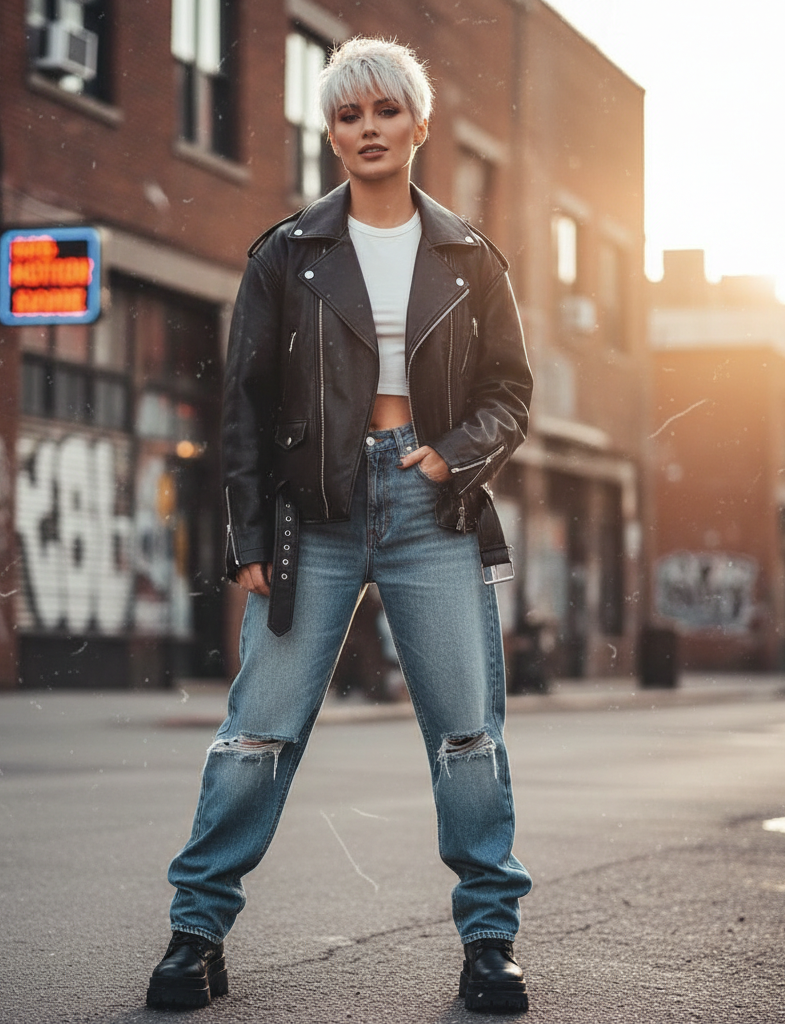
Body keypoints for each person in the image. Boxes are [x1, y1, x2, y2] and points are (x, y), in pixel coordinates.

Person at [146, 36, 534, 1014]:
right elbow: (242, 404)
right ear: (330, 132)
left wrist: (455, 454)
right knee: (255, 736)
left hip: (429, 506)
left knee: (467, 739)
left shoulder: (468, 257)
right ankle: (195, 934)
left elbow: (508, 393)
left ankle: (489, 942)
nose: (367, 130)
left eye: (385, 112)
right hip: (308, 516)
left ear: (418, 124)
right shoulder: (285, 255)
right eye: (349, 115)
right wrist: (242, 537)